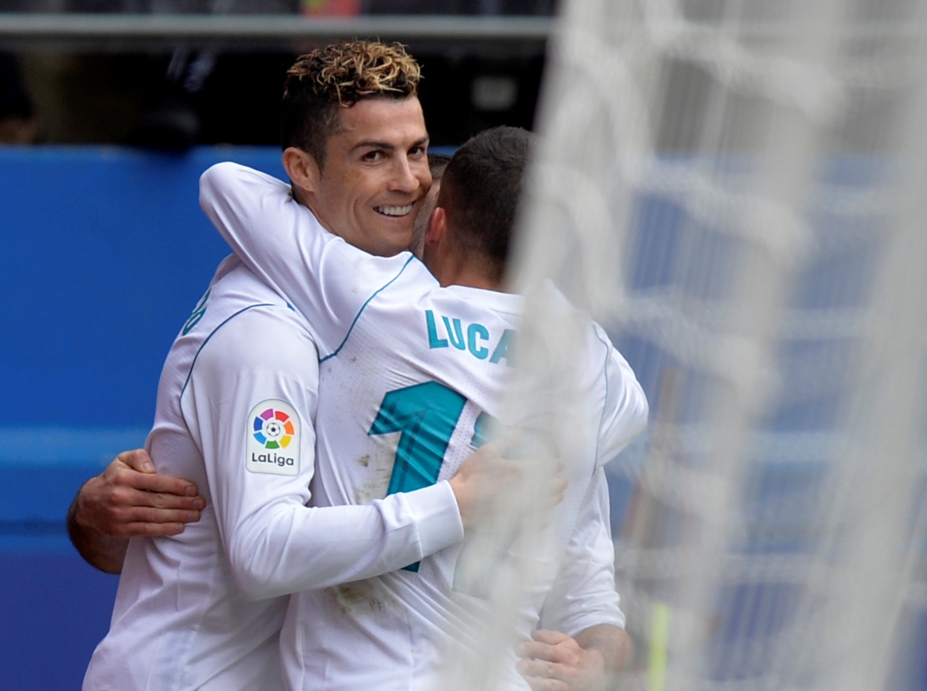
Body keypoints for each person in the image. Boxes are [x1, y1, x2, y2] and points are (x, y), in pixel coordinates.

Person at [80, 43, 540, 691]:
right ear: (301, 169)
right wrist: (454, 505)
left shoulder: (373, 302)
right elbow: (262, 550)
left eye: (416, 150)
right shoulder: (268, 336)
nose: (410, 180)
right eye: (373, 155)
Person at [200, 123, 647, 689]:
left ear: (436, 224)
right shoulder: (596, 375)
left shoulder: (374, 304)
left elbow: (225, 185)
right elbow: (592, 587)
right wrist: (598, 661)